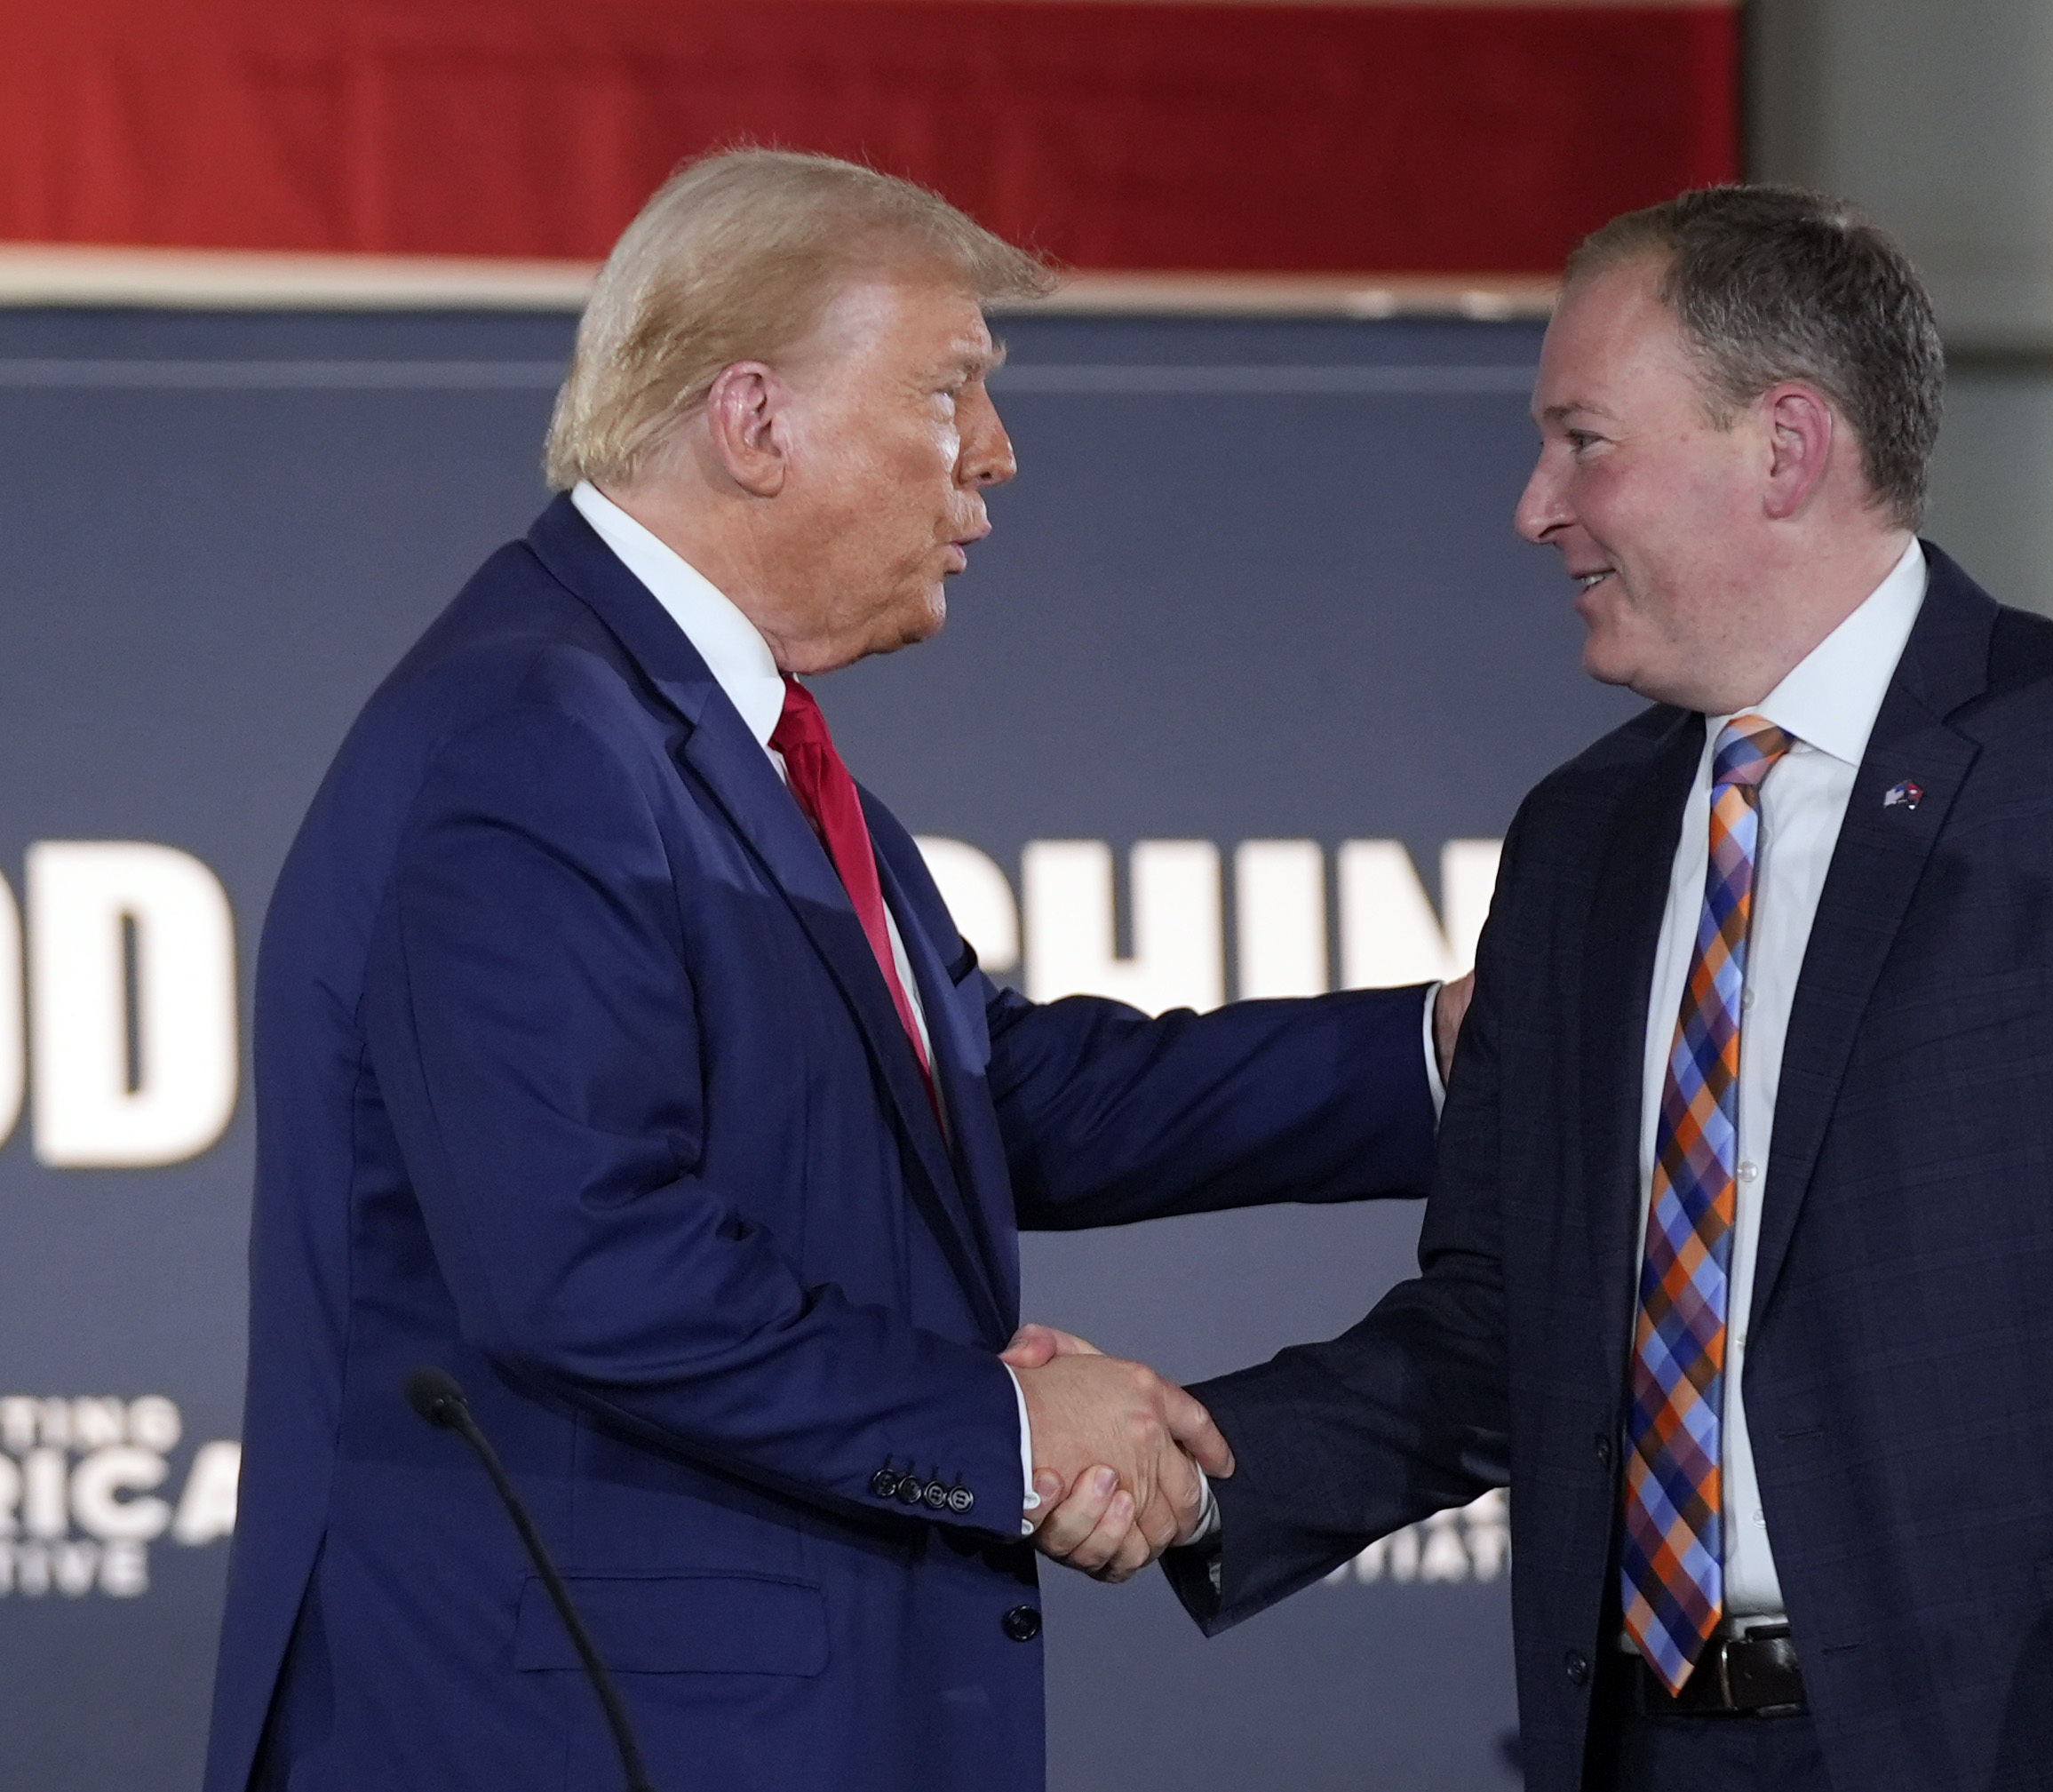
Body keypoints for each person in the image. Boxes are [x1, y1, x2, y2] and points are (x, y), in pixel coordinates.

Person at [1084, 186, 2053, 1788]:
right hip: (1651, 1749)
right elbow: (1509, 1323)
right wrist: (1195, 1463)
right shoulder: (1585, 837)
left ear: (1785, 446)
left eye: (1585, 442)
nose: (1533, 508)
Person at [203, 149, 1461, 1792]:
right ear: (755, 420)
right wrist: (1001, 1435)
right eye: (953, 391)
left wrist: (1441, 1049)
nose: (995, 458)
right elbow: (588, 1263)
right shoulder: (535, 739)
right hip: (572, 1728)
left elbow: (989, 1095)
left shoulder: (710, 733)